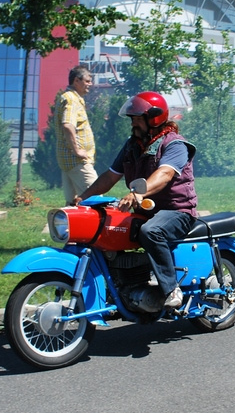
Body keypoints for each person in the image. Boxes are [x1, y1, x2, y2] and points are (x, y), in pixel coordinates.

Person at [75, 91, 197, 309]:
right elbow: (111, 176)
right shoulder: (133, 146)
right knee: (107, 228)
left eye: (138, 118)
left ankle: (171, 289)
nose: (133, 123)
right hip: (147, 211)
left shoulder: (175, 144)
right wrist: (83, 198)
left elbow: (165, 174)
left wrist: (138, 192)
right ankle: (118, 288)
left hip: (177, 211)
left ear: (155, 118)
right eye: (132, 119)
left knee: (151, 232)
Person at [56, 65, 98, 206]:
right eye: (87, 81)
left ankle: (66, 228)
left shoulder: (73, 98)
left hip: (70, 161)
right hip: (77, 161)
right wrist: (77, 151)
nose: (90, 84)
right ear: (76, 81)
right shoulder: (71, 99)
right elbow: (68, 125)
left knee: (72, 203)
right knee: (95, 197)